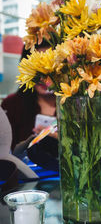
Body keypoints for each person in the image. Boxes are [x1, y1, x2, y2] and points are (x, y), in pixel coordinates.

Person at [1, 41, 58, 170]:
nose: (43, 76)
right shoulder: (11, 105)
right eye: (37, 67)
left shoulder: (77, 106)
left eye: (50, 65)